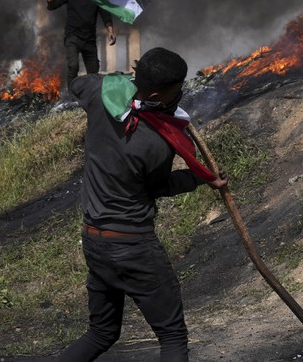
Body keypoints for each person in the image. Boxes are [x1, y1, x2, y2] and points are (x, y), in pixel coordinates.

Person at [59, 47, 228, 362]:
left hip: (94, 239)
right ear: (155, 93)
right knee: (173, 338)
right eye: (175, 92)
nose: (178, 96)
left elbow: (78, 84)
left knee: (101, 333)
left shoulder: (99, 94)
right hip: (133, 246)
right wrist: (200, 178)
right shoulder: (155, 142)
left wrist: (120, 82)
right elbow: (160, 187)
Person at [46, 0, 117, 85]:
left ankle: (90, 96)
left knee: (93, 71)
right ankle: (70, 97)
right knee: (73, 66)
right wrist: (50, 1)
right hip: (73, 37)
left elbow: (105, 14)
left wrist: (110, 30)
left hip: (89, 39)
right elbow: (52, 6)